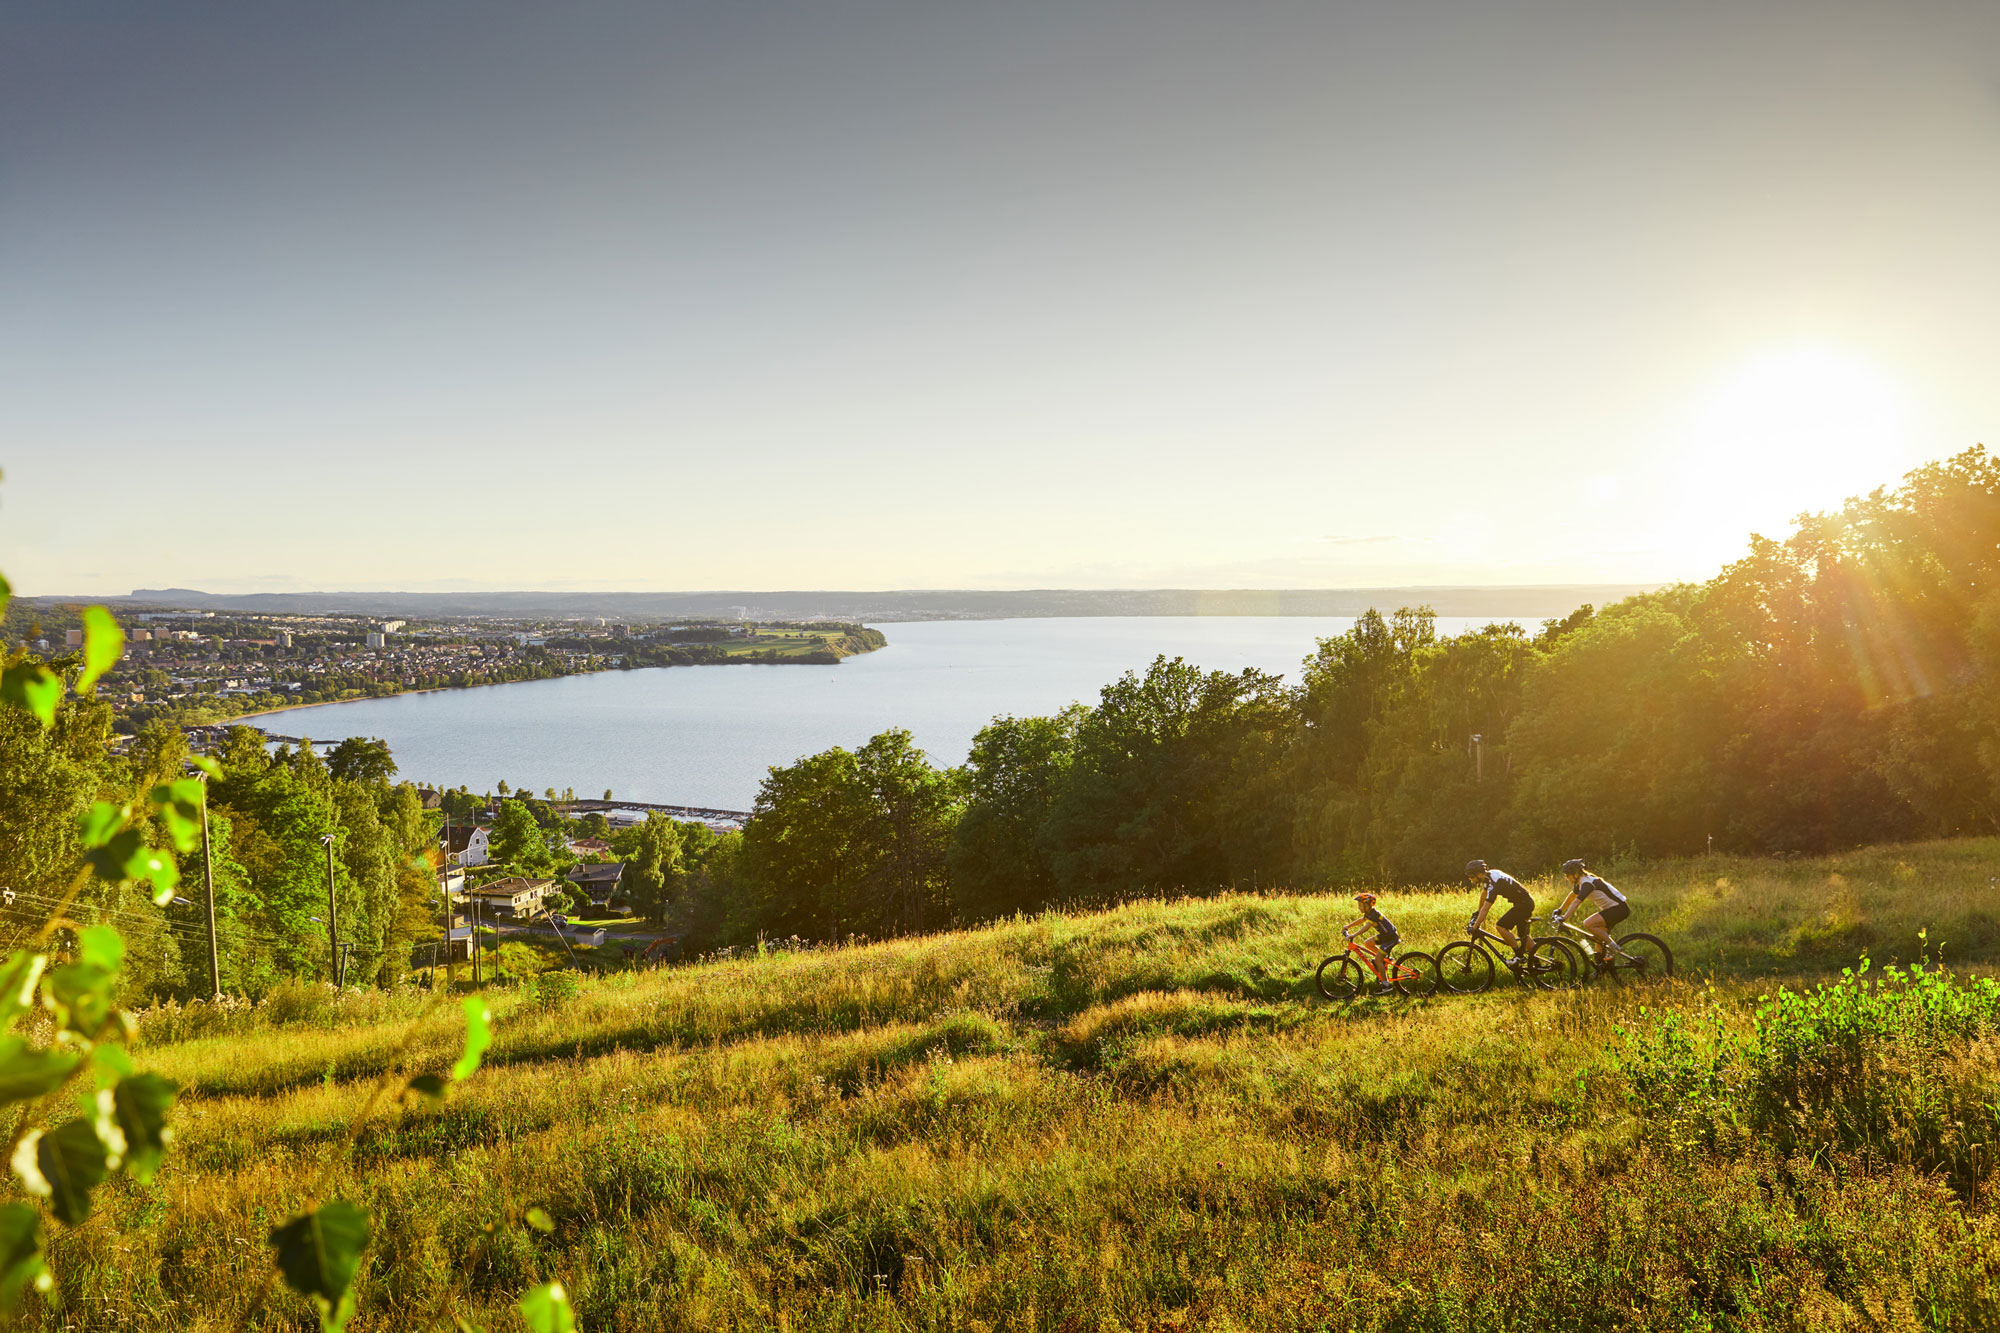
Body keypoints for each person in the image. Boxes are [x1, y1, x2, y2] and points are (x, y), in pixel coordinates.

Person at [1552, 859, 1631, 962]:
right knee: (1598, 939)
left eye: (1568, 875)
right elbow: (1572, 896)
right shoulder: (1581, 882)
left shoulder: (1587, 883)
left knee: (1588, 923)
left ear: (1575, 874)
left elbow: (1576, 902)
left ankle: (1613, 947)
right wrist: (1560, 910)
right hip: (1613, 909)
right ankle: (1601, 967)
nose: (1567, 878)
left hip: (1619, 909)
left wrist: (1564, 917)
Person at [1464, 858, 1537, 961]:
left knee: (1501, 926)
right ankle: (1537, 964)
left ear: (1479, 874)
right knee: (1523, 936)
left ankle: (1519, 956)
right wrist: (1478, 911)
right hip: (1524, 903)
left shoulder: (1494, 883)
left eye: (1471, 877)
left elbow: (1486, 908)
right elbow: (1484, 894)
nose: (1470, 879)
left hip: (1524, 905)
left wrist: (1475, 926)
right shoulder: (1490, 875)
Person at [1343, 892, 1401, 996]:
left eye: (1360, 905)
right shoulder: (1369, 913)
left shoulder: (1374, 914)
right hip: (1385, 935)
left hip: (1391, 938)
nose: (1358, 907)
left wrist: (1353, 935)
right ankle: (1384, 960)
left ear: (1367, 905)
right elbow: (1361, 920)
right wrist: (1348, 926)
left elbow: (1366, 927)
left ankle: (1386, 985)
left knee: (1378, 960)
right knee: (1367, 943)